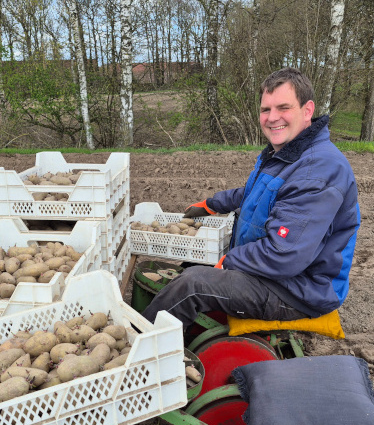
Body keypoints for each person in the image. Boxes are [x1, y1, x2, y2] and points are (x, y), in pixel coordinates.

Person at [141, 67, 360, 329]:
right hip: (282, 276)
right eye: (266, 110)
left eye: (283, 108)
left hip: (299, 290)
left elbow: (285, 255)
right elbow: (258, 192)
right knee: (193, 263)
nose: (272, 118)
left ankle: (137, 355)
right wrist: (213, 204)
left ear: (308, 110)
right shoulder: (285, 152)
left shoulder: (318, 170)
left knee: (193, 284)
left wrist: (229, 262)